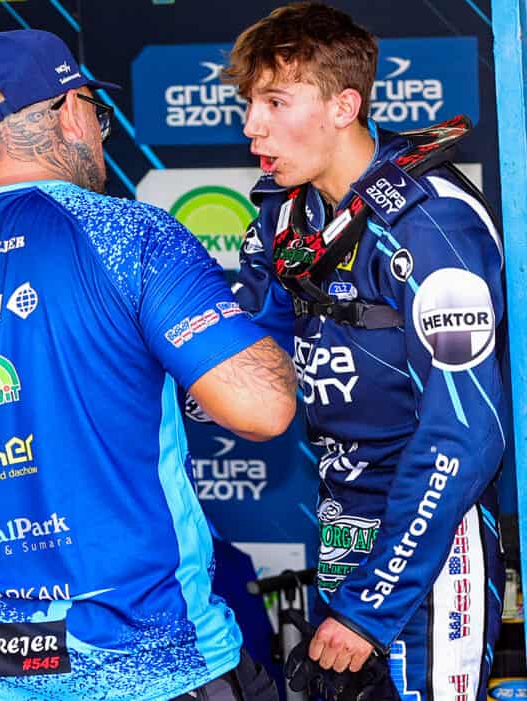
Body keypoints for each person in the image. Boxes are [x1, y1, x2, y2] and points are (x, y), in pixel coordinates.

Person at [0, 29, 296, 701]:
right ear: (70, 111)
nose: (99, 131)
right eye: (96, 113)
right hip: (151, 673)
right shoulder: (130, 235)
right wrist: (275, 305)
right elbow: (264, 407)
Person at [224, 3, 507, 699]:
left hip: (433, 547)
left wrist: (371, 604)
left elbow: (466, 431)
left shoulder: (431, 221)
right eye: (249, 103)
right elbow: (249, 360)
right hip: (341, 530)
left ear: (344, 106)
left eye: (275, 102)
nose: (252, 124)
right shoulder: (286, 215)